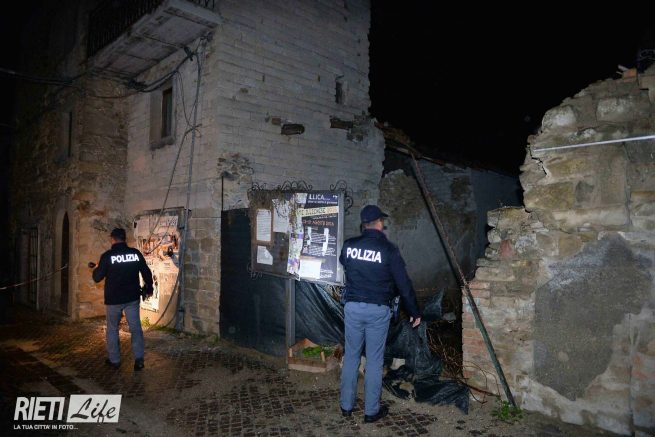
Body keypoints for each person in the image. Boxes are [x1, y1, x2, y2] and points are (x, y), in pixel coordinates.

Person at [339, 205, 421, 423]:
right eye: (382, 221)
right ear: (379, 223)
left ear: (363, 224)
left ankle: (346, 406)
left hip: (353, 308)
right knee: (374, 361)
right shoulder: (389, 250)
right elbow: (403, 284)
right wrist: (414, 311)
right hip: (377, 310)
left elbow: (344, 263)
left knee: (351, 357)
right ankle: (370, 411)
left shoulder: (349, 245)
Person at [92, 228, 153, 371]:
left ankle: (115, 360)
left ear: (112, 239)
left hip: (114, 299)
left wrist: (98, 267)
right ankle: (139, 359)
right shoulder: (135, 253)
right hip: (132, 298)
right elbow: (146, 271)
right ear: (124, 239)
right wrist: (149, 287)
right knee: (136, 328)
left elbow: (97, 277)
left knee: (112, 329)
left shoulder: (107, 256)